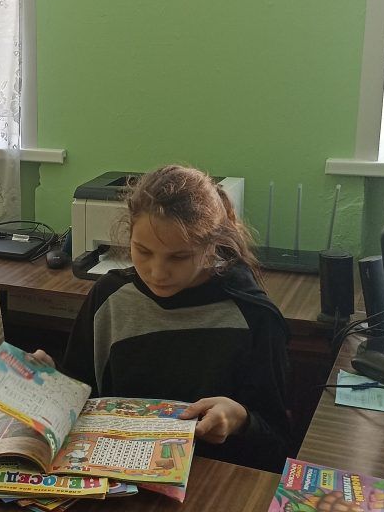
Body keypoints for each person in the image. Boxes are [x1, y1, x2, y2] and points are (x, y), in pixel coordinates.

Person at [32, 165, 292, 472]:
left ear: (212, 247)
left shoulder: (253, 315)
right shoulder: (109, 297)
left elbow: (277, 439)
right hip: (115, 473)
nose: (157, 272)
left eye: (179, 257)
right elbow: (82, 394)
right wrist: (53, 382)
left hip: (210, 479)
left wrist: (241, 420)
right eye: (143, 251)